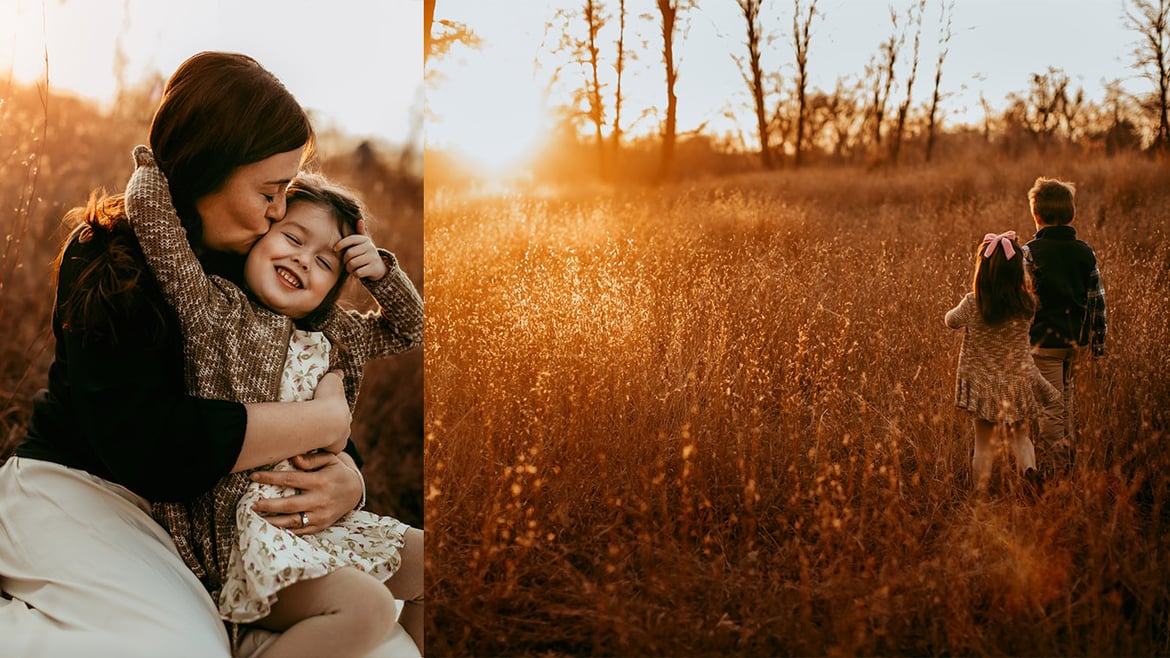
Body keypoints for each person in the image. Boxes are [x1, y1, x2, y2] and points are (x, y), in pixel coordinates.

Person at [0, 51, 419, 658]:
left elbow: (291, 386)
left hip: (208, 524)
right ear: (210, 169)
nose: (281, 213)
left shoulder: (259, 270)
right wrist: (324, 421)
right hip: (84, 488)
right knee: (177, 648)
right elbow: (148, 445)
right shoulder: (112, 259)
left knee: (387, 643)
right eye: (270, 192)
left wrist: (347, 478)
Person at [125, 146, 424, 657]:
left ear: (333, 288)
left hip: (318, 522)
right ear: (259, 236)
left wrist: (380, 273)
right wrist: (164, 167)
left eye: (326, 262)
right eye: (292, 237)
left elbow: (410, 328)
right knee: (367, 607)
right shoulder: (215, 311)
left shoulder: (333, 335)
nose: (303, 260)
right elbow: (160, 233)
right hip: (245, 536)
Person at [945, 231, 1060, 495]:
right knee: (1022, 438)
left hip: (983, 382)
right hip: (1016, 381)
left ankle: (980, 496)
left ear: (982, 271)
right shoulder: (1027, 304)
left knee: (983, 445)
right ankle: (1030, 476)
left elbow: (950, 321)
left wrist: (966, 303)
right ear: (1018, 272)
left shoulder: (973, 303)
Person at [1023, 177, 1107, 477]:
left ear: (1036, 215)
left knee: (1051, 409)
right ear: (1071, 215)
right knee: (1066, 403)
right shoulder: (1085, 252)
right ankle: (1068, 464)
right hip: (1077, 344)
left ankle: (1057, 474)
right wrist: (1097, 346)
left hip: (1043, 345)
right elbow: (1097, 302)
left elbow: (1024, 305)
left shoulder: (1029, 253)